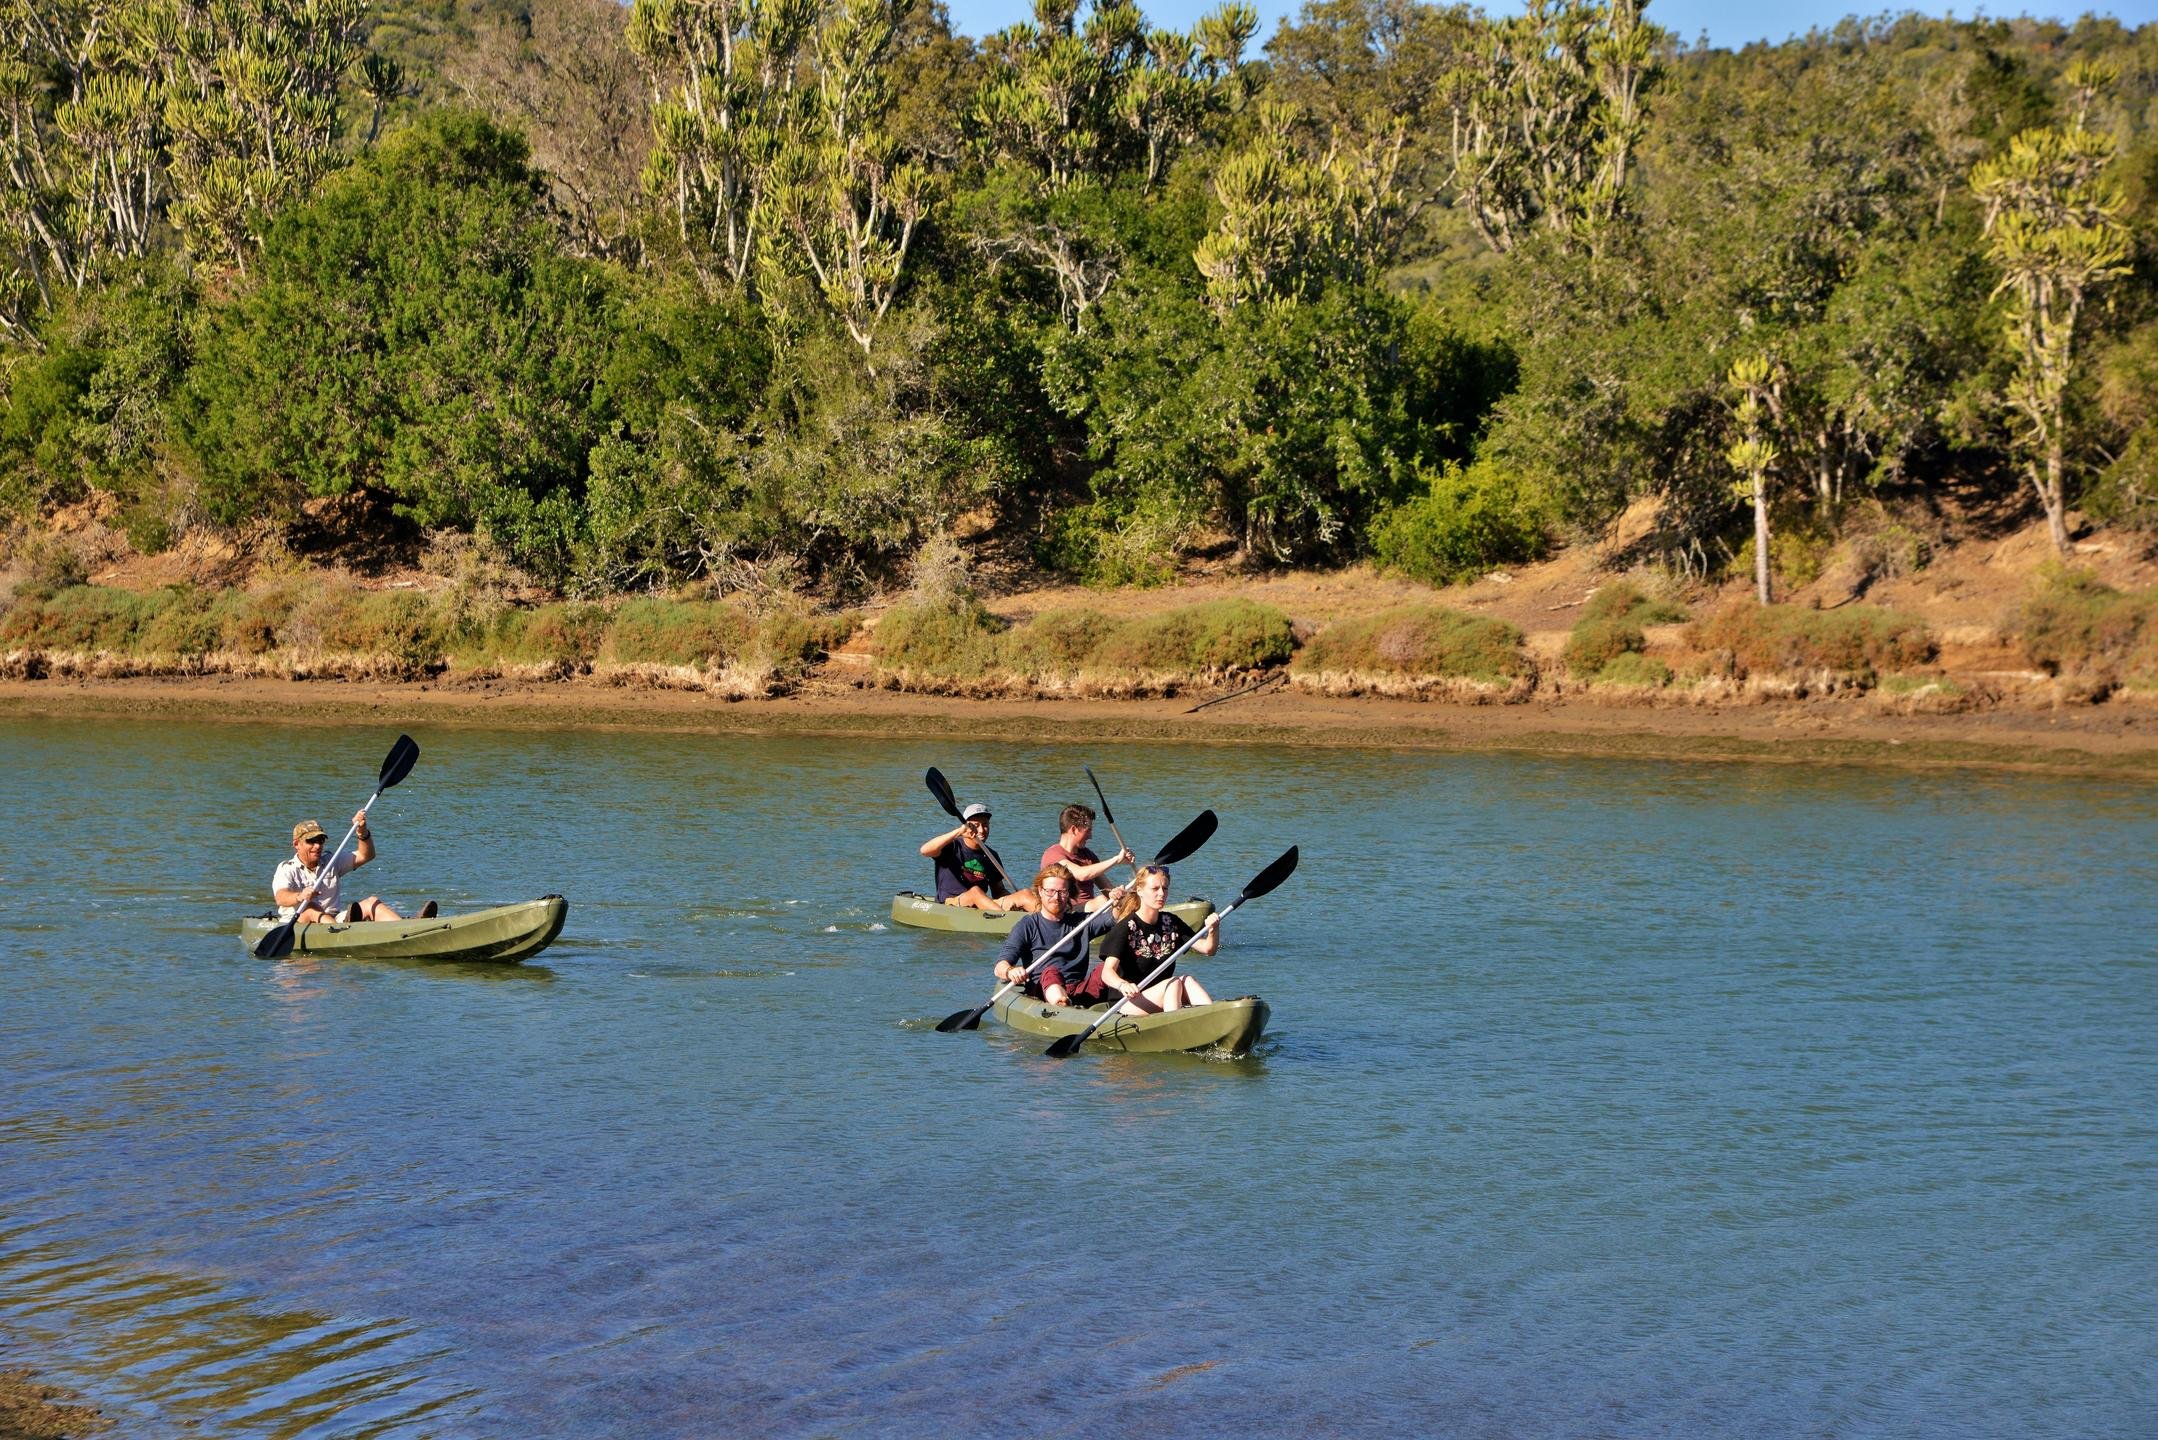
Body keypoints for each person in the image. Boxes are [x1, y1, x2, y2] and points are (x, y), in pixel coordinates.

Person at [991, 863, 1121, 1006]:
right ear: (1040, 891)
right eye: (1050, 891)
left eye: (1062, 892)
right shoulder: (1027, 925)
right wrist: (1011, 971)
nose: (1056, 897)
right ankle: (1062, 1004)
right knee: (1051, 972)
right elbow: (1000, 967)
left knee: (1110, 966)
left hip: (1079, 990)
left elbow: (1113, 917)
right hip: (1044, 991)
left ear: (1069, 893)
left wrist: (1119, 902)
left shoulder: (1082, 922)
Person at [1097, 863, 1217, 1013]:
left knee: (1187, 980)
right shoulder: (1126, 927)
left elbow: (1208, 949)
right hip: (1127, 1001)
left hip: (1163, 994)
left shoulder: (1171, 922)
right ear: (1139, 891)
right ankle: (1174, 1026)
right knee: (1173, 983)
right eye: (1155, 889)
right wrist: (1123, 985)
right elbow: (1107, 973)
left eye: (1165, 888)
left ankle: (1211, 1017)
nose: (1161, 894)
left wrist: (1213, 929)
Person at [274, 815, 435, 924]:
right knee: (310, 907)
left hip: (332, 919)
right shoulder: (286, 868)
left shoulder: (330, 861)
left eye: (321, 840)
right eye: (311, 841)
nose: (317, 846)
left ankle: (406, 928)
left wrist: (362, 832)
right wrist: (300, 896)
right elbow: (281, 897)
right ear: (297, 844)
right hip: (298, 922)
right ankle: (344, 934)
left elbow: (366, 855)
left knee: (371, 902)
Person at [919, 803, 1038, 914]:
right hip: (951, 904)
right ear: (966, 826)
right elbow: (925, 851)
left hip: (981, 905)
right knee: (975, 892)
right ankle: (1008, 922)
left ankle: (1048, 922)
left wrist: (1014, 903)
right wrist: (959, 832)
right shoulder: (952, 847)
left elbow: (998, 891)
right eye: (976, 825)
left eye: (985, 825)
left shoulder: (991, 855)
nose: (981, 830)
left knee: (1025, 894)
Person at [1039, 804, 1133, 909]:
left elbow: (1107, 889)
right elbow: (1081, 874)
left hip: (1089, 912)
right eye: (1088, 830)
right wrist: (1116, 860)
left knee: (1127, 901)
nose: (1091, 836)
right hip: (1066, 910)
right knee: (1101, 901)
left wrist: (1116, 893)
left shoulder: (1089, 855)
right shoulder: (1053, 854)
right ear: (1074, 830)